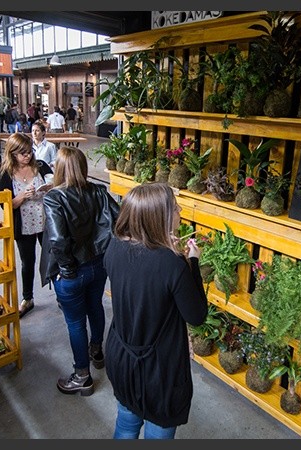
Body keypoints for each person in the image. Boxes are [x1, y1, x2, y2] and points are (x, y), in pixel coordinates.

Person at [103, 183, 208, 439]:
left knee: (126, 424)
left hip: (121, 355)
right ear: (158, 217)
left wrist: (167, 249)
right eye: (175, 208)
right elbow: (196, 316)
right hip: (160, 369)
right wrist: (192, 262)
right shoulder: (173, 264)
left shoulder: (114, 247)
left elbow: (142, 278)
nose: (180, 211)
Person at [39, 145, 120, 396]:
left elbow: (57, 239)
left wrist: (66, 269)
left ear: (59, 168)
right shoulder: (98, 191)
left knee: (75, 322)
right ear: (83, 167)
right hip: (98, 264)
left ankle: (82, 376)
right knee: (95, 307)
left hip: (72, 271)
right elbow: (118, 220)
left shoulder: (53, 197)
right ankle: (97, 351)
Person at [0, 133, 53, 318]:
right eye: (23, 153)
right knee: (27, 262)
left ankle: (61, 294)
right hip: (24, 224)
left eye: (30, 152)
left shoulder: (40, 166)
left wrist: (50, 187)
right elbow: (6, 205)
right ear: (12, 153)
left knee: (52, 257)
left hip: (45, 221)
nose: (27, 156)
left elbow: (55, 183)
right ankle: (27, 298)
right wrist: (22, 196)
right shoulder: (6, 173)